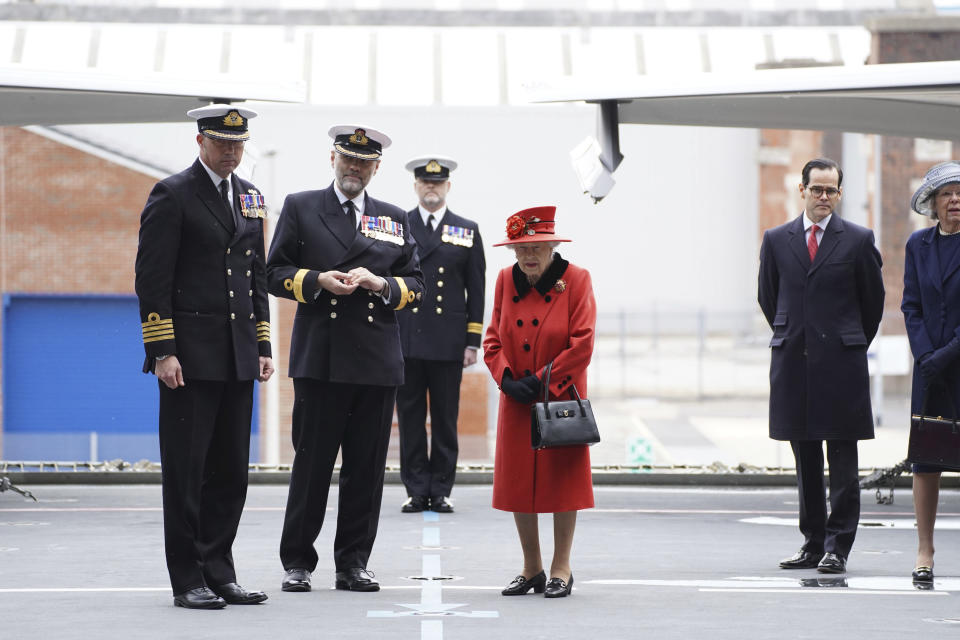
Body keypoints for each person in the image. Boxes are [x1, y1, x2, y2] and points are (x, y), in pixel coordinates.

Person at [267, 125, 424, 594]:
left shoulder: (394, 218)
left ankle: (353, 563)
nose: (354, 168)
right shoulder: (301, 206)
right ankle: (298, 561)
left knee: (366, 469)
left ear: (376, 168)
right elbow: (274, 272)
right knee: (312, 466)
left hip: (376, 364)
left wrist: (380, 284)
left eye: (364, 162)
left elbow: (414, 284)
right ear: (332, 159)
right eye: (347, 159)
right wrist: (317, 280)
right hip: (322, 361)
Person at [134, 103, 274, 609]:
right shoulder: (172, 194)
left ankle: (220, 570)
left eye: (238, 144)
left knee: (231, 471)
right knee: (188, 471)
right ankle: (187, 577)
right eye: (221, 143)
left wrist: (262, 343)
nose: (231, 152)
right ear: (200, 142)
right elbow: (152, 280)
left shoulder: (252, 198)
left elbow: (255, 274)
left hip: (237, 356)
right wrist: (163, 351)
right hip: (189, 359)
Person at [758, 157, 885, 574]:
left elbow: (873, 304)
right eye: (817, 189)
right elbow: (769, 297)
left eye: (831, 190)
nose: (824, 197)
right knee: (805, 460)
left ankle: (838, 547)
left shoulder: (858, 240)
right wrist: (797, 335)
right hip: (794, 363)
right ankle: (813, 543)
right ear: (803, 190)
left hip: (842, 366)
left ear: (840, 194)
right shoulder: (777, 239)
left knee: (843, 462)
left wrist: (846, 342)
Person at [483, 206, 596, 599]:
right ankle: (531, 568)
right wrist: (506, 377)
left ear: (552, 245)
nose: (527, 256)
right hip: (517, 401)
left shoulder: (577, 280)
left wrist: (543, 379)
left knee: (562, 483)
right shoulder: (503, 280)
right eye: (520, 249)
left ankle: (561, 567)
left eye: (536, 248)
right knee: (520, 483)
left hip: (559, 398)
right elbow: (492, 339)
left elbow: (583, 343)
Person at [396, 155, 485, 514]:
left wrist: (472, 340)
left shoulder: (466, 229)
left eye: (437, 183)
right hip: (407, 339)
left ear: (448, 187)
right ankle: (417, 489)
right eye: (425, 183)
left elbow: (475, 289)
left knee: (446, 418)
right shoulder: (398, 225)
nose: (431, 188)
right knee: (411, 418)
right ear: (416, 186)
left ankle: (442, 489)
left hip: (448, 342)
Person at [902, 160, 960, 584]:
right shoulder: (917, 245)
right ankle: (925, 550)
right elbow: (911, 306)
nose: (955, 200)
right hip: (929, 370)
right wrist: (926, 356)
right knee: (926, 463)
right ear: (933, 203)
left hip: (955, 364)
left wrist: (945, 355)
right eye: (947, 194)